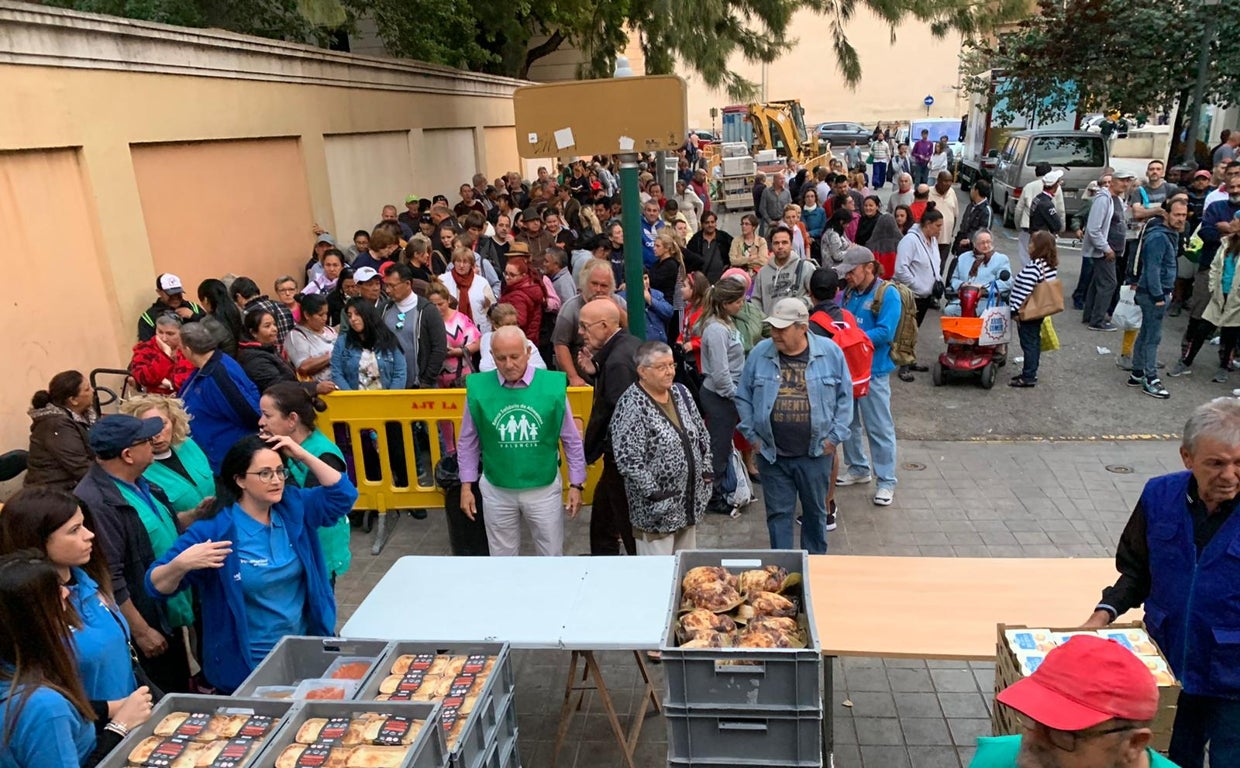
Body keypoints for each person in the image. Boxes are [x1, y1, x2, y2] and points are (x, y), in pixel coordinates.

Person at [1082, 397, 1240, 767]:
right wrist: (1103, 614)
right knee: (1170, 759)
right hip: (1167, 670)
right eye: (1215, 463)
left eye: (1239, 462)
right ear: (1187, 458)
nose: (1230, 475)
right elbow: (1137, 570)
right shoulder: (1159, 496)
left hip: (1234, 682)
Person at [147, 434, 357, 693]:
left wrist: (301, 455)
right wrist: (181, 564)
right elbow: (155, 585)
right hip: (249, 666)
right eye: (265, 473)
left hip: (304, 652)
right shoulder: (215, 531)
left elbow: (344, 495)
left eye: (280, 471)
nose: (277, 480)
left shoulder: (293, 507)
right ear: (240, 480)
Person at [0, 488, 156, 726]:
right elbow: (34, 699)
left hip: (133, 719)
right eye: (74, 530)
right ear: (35, 539)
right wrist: (110, 710)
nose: (89, 535)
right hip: (92, 737)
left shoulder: (87, 579)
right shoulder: (26, 610)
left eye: (84, 525)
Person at [74, 415, 190, 696]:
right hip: (146, 621)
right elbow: (108, 574)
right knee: (163, 695)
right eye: (146, 441)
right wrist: (140, 630)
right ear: (127, 455)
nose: (154, 443)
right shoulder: (98, 503)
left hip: (166, 611)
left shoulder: (142, 482)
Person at [0, 552, 151, 768]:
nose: (66, 593)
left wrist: (110, 708)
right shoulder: (45, 708)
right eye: (55, 591)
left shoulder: (16, 676)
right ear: (32, 615)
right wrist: (120, 726)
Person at [736, 299, 852, 554]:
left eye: (782, 328)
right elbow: (743, 395)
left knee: (815, 515)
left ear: (802, 327)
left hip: (815, 455)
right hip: (772, 456)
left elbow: (845, 398)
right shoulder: (760, 353)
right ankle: (783, 575)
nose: (775, 334)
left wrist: (833, 439)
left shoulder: (830, 353)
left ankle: (815, 571)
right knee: (778, 516)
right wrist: (753, 437)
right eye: (773, 328)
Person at [457, 327, 584, 557]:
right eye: (501, 358)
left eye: (514, 357)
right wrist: (466, 485)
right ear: (491, 356)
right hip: (497, 487)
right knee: (502, 556)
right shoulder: (477, 388)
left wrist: (576, 484)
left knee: (551, 555)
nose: (508, 364)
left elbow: (571, 438)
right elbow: (468, 440)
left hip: (543, 487)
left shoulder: (553, 386)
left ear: (527, 352)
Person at [970, 634, 1174, 768]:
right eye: (1034, 719)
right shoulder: (994, 760)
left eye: (1063, 734)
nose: (1035, 739)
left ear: (1133, 744)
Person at [611, 341, 711, 555]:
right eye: (662, 367)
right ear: (642, 372)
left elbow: (701, 434)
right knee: (657, 574)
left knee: (687, 570)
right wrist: (655, 494)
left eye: (672, 365)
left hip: (689, 504)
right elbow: (628, 459)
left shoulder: (681, 393)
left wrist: (707, 471)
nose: (670, 372)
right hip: (656, 514)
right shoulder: (632, 404)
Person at [257, 382, 352, 588]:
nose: (261, 422)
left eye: (267, 415)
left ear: (292, 419)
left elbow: (305, 508)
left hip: (317, 554)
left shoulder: (323, 455)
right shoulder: (282, 446)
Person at [837, 246, 901, 505]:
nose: (847, 277)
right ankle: (858, 468)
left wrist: (853, 339)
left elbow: (886, 332)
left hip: (873, 372)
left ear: (869, 268)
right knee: (848, 423)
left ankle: (886, 481)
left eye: (851, 272)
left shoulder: (888, 294)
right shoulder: (850, 292)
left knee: (879, 427)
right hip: (849, 371)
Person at [578, 299, 641, 556]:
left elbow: (619, 414)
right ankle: (603, 560)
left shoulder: (616, 362)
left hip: (623, 462)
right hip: (622, 461)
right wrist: (595, 372)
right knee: (604, 519)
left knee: (625, 524)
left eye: (584, 326)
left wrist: (592, 448)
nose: (581, 332)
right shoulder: (628, 345)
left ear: (604, 326)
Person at [177, 321, 261, 473]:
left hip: (229, 461)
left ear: (188, 350)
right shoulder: (209, 366)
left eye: (180, 348)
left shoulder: (218, 375)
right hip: (217, 457)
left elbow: (250, 414)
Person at [695, 279, 747, 516]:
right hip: (720, 396)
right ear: (725, 303)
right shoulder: (716, 330)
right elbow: (720, 372)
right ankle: (713, 495)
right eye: (737, 301)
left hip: (725, 395)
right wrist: (736, 397)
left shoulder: (725, 323)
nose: (742, 304)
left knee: (723, 444)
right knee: (719, 446)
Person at [1125, 199, 1186, 398]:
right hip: (1153, 294)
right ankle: (1151, 379)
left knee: (1146, 333)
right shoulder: (1159, 238)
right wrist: (1159, 296)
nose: (1180, 219)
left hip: (1154, 292)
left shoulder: (1168, 235)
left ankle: (1137, 372)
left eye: (1184, 215)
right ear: (1165, 215)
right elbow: (1152, 269)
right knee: (1153, 337)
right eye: (1177, 214)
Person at [117, 395, 213, 519]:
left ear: (173, 421)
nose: (156, 434)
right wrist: (194, 515)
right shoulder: (138, 470)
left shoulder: (187, 445)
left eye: (162, 424)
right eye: (148, 427)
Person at [551, 262, 628, 386]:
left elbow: (631, 333)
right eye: (594, 284)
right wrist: (573, 377)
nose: (598, 290)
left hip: (612, 373)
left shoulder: (620, 303)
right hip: (581, 377)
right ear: (585, 283)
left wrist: (616, 308)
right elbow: (560, 345)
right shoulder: (571, 308)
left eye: (604, 286)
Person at [894, 204, 944, 379]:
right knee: (906, 330)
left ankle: (910, 359)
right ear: (928, 224)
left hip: (926, 295)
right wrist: (918, 285)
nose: (940, 230)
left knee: (915, 329)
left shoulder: (932, 240)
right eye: (937, 226)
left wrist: (937, 281)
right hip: (912, 294)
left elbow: (934, 263)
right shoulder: (910, 241)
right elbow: (901, 269)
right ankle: (903, 364)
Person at [25, 371, 97, 491]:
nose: (93, 391)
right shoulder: (57, 424)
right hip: (53, 493)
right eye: (87, 389)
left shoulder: (85, 414)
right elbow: (80, 467)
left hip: (76, 484)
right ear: (73, 400)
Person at [380, 262, 447, 389]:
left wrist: (426, 380)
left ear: (407, 284)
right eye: (386, 285)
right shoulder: (384, 310)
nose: (388, 290)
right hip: (390, 385)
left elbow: (439, 348)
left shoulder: (427, 310)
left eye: (392, 286)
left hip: (420, 385)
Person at [238, 309, 334, 397]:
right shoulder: (255, 359)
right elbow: (278, 386)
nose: (274, 329)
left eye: (274, 324)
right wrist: (315, 388)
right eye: (267, 326)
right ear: (253, 332)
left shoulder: (268, 349)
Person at [1008, 231, 1060, 388]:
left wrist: (1014, 310)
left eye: (1032, 244)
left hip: (1028, 311)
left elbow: (1025, 291)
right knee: (1034, 341)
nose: (1029, 246)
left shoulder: (1035, 266)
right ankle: (1031, 371)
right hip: (1039, 309)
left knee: (1028, 342)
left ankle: (1028, 375)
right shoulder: (1049, 265)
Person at [331, 298, 408, 391]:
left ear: (368, 315)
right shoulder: (342, 342)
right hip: (354, 400)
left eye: (357, 314)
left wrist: (390, 399)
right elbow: (336, 373)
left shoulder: (389, 339)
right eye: (349, 316)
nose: (353, 319)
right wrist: (351, 398)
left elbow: (400, 373)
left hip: (385, 400)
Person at [944, 229, 1013, 316]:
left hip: (987, 300)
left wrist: (983, 287)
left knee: (985, 315)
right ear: (974, 244)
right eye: (982, 243)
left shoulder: (1001, 259)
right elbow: (954, 279)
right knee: (949, 311)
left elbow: (1007, 282)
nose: (986, 245)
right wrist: (963, 285)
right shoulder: (963, 257)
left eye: (988, 242)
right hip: (964, 299)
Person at [426, 281, 480, 390]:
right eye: (433, 305)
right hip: (434, 380)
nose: (437, 308)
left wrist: (458, 352)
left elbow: (477, 343)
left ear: (448, 300)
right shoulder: (425, 320)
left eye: (440, 304)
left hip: (461, 378)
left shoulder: (461, 319)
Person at [754, 225, 813, 316]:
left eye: (784, 242)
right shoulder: (762, 273)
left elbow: (815, 297)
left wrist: (797, 306)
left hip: (796, 325)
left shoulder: (806, 267)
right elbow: (756, 301)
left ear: (791, 244)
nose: (780, 246)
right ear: (771, 245)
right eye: (776, 243)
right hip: (771, 326)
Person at [284, 294, 338, 384]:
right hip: (320, 387)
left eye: (326, 313)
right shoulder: (296, 336)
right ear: (307, 315)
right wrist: (331, 356)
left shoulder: (330, 330)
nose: (325, 318)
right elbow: (303, 367)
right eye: (320, 315)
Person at [230, 277, 294, 352]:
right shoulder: (283, 306)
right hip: (290, 357)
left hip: (267, 358)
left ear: (238, 296)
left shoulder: (246, 315)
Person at [479, 303, 546, 372]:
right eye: (507, 325)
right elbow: (485, 368)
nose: (512, 328)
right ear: (495, 326)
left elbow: (541, 368)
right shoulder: (486, 339)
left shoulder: (526, 343)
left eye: (514, 324)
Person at [137, 273, 204, 342]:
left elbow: (210, 331)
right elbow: (145, 346)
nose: (175, 297)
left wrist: (194, 316)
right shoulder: (149, 318)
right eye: (171, 294)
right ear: (159, 292)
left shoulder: (193, 308)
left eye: (178, 293)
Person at [498, 251, 545, 348]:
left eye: (512, 275)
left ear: (523, 275)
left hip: (517, 343)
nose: (507, 277)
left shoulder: (518, 297)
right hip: (528, 340)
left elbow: (518, 322)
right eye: (505, 273)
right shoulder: (530, 286)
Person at [196, 278, 243, 357]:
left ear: (206, 300)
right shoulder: (237, 312)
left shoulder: (209, 323)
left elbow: (199, 350)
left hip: (223, 363)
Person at [955, 179, 993, 256]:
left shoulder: (986, 210)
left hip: (974, 249)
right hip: (961, 246)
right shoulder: (971, 206)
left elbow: (984, 230)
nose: (971, 191)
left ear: (976, 191)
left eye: (972, 189)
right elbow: (964, 224)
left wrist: (969, 240)